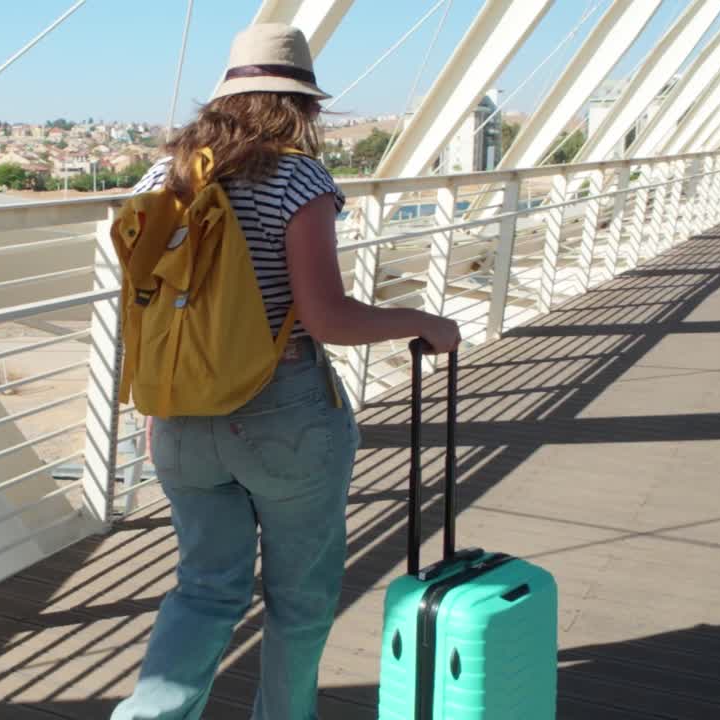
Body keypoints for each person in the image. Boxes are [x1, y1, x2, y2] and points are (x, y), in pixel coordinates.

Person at [112, 23, 460, 720]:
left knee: (204, 589)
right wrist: (421, 322)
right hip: (282, 415)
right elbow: (326, 317)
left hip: (179, 417)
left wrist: (162, 413)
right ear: (302, 104)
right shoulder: (297, 177)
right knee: (299, 602)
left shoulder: (165, 177)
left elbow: (160, 307)